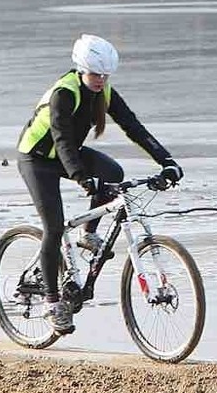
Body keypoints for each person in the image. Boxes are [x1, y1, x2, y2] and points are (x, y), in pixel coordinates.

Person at [16, 34, 184, 334]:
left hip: (67, 155)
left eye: (106, 75)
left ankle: (87, 235)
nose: (101, 80)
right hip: (38, 159)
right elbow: (63, 142)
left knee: (113, 174)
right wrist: (83, 179)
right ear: (81, 69)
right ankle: (53, 303)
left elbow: (134, 127)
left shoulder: (105, 91)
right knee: (53, 228)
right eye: (96, 74)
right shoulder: (64, 93)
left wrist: (166, 161)